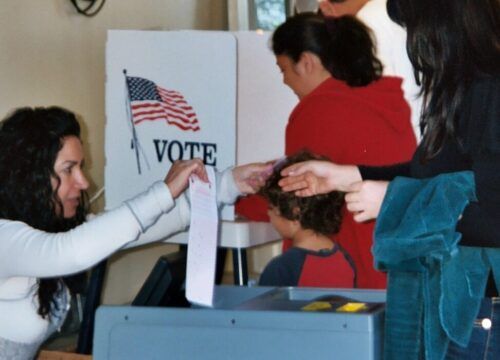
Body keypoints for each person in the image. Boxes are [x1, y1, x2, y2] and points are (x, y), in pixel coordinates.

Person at [279, 0, 499, 357]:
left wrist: (396, 199)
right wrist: (349, 176)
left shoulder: (488, 90)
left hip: (481, 310)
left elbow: (492, 217)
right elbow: (432, 174)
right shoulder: (461, 88)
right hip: (458, 300)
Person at [0, 106, 270, 359]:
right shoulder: (5, 237)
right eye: (69, 170)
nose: (83, 182)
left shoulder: (49, 232)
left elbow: (140, 229)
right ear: (29, 176)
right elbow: (71, 251)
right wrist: (162, 192)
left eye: (80, 167)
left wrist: (228, 184)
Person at [236, 12, 416, 289]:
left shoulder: (317, 110)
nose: (284, 81)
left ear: (306, 62)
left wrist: (234, 196)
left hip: (349, 275)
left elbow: (292, 199)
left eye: (283, 69)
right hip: (397, 269)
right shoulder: (384, 99)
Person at [319, 0, 422, 139]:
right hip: (428, 131)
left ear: (326, 8)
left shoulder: (368, 19)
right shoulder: (391, 8)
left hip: (408, 135)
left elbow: (384, 99)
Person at [258, 151, 355, 288]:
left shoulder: (281, 268)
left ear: (294, 213)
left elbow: (261, 308)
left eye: (271, 208)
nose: (268, 214)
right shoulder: (344, 259)